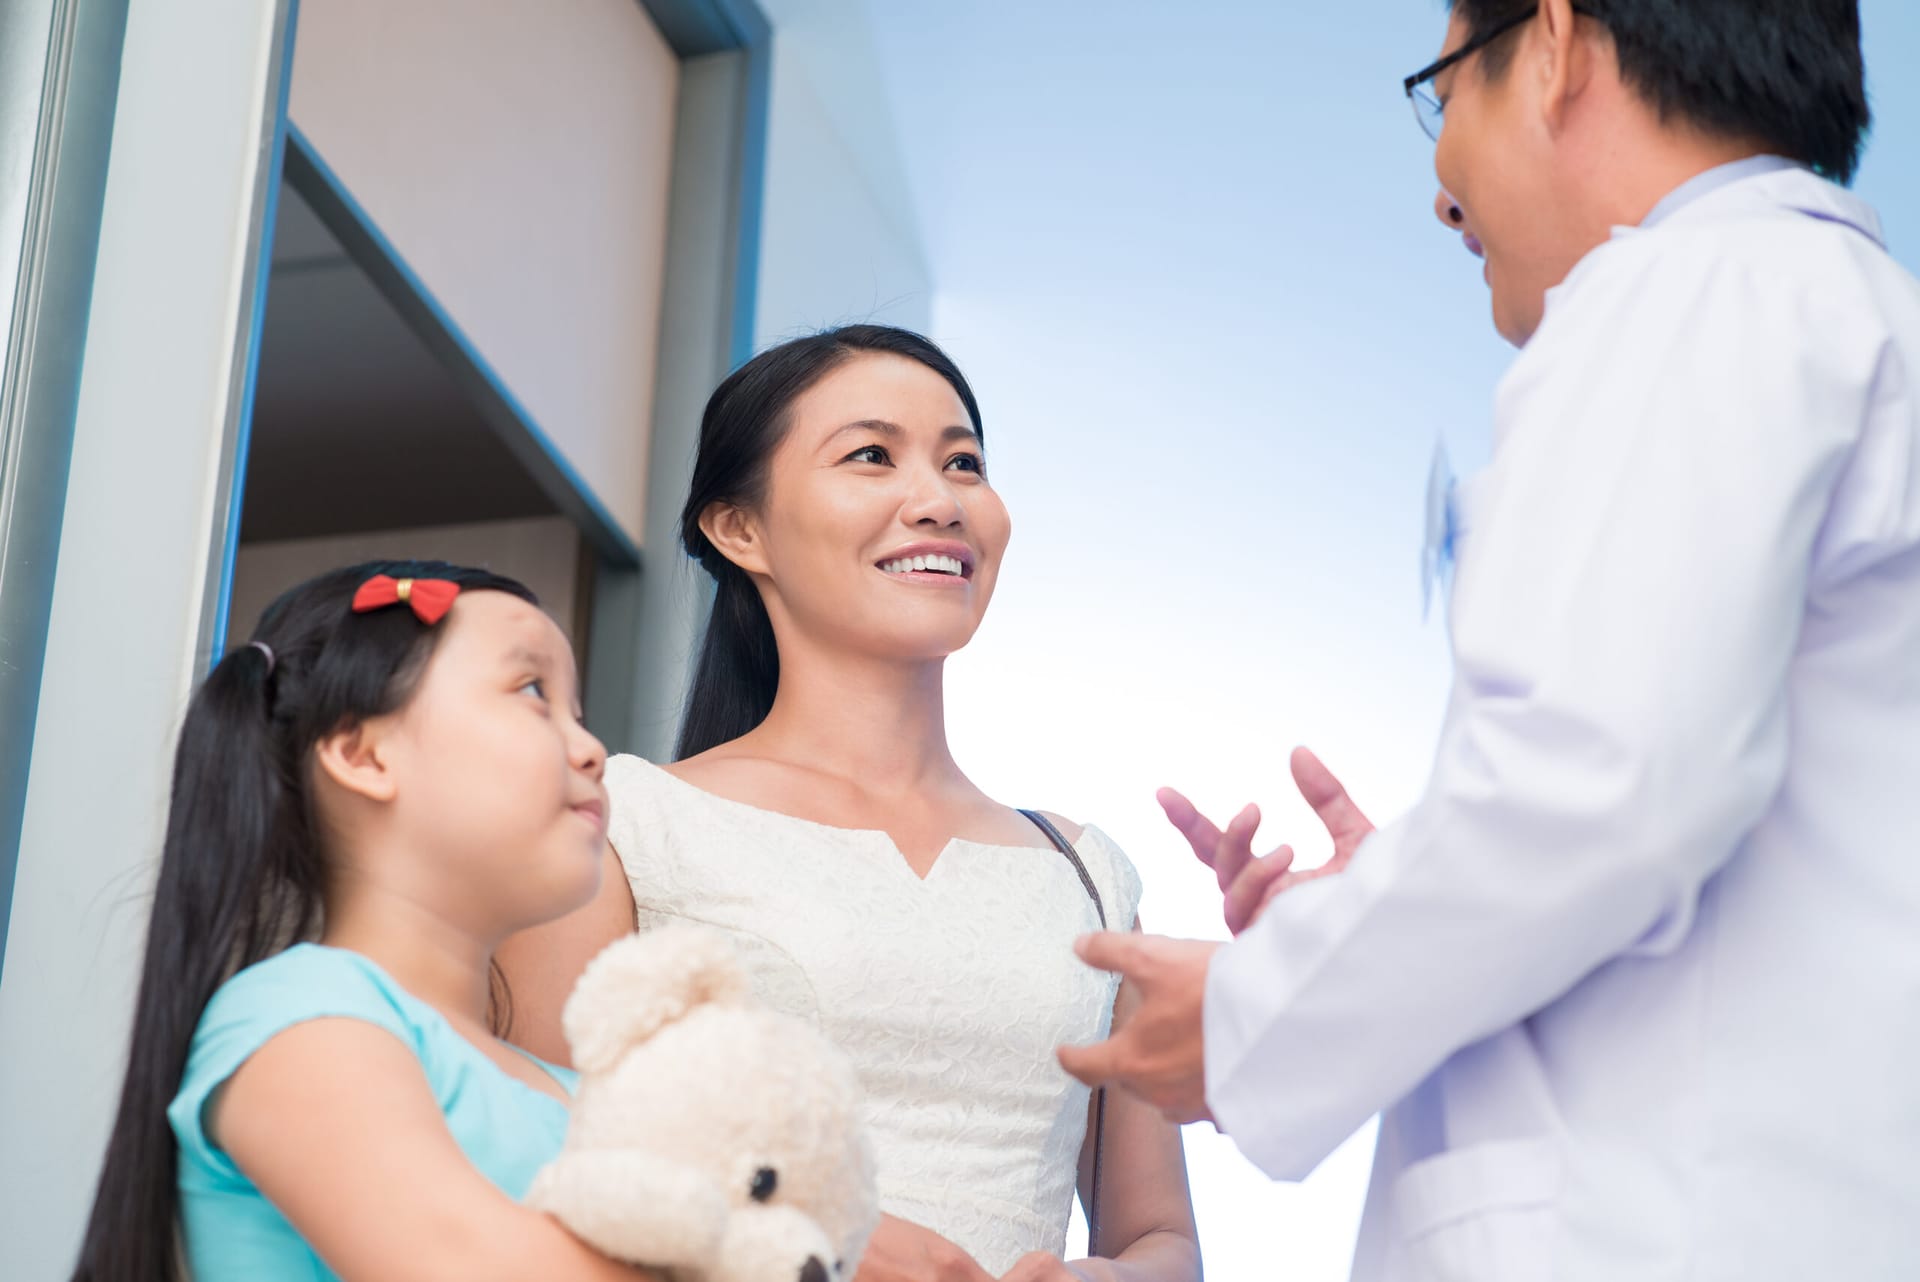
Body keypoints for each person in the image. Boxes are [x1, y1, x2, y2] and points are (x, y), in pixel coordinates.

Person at [1059, 1, 1920, 1278]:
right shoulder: (1839, 308)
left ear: (1558, 45)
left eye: (1445, 87)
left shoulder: (1686, 290)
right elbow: (1713, 796)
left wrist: (1256, 1014)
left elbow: (1602, 783)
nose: (1443, 192)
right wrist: (1405, 890)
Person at [497, 327, 1201, 1282]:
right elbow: (534, 1174)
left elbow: (1163, 1241)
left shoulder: (1088, 876)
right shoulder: (623, 824)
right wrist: (801, 1240)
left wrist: (1103, 1280)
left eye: (965, 463)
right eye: (873, 456)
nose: (940, 501)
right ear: (738, 529)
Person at [72, 562, 657, 1282]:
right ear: (363, 753)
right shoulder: (297, 1020)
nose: (591, 749)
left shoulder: (568, 1088)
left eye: (580, 710)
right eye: (534, 691)